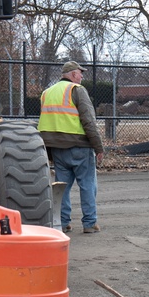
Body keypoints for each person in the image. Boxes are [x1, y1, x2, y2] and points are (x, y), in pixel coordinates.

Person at [38, 61, 104, 233]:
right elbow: (88, 121)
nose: (82, 76)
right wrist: (98, 147)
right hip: (79, 146)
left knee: (63, 187)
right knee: (88, 185)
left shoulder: (46, 93)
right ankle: (89, 223)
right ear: (74, 74)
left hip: (57, 148)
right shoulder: (77, 90)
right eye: (81, 73)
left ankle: (63, 222)